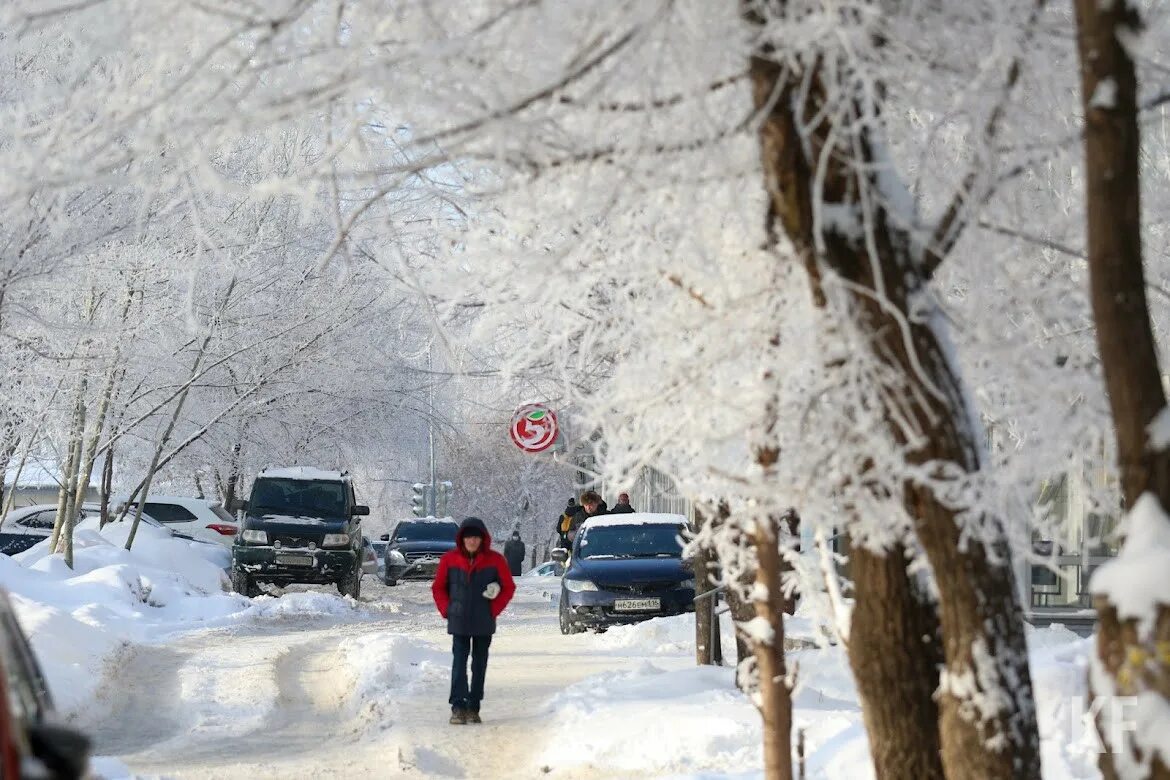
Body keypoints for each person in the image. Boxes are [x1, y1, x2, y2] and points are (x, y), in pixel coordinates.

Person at [431, 517, 516, 725]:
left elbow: (508, 587)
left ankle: (474, 706)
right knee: (459, 663)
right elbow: (438, 587)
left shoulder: (495, 560)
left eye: (476, 537)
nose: (472, 541)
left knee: (479, 665)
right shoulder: (449, 560)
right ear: (462, 538)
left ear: (482, 539)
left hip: (483, 622)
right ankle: (458, 706)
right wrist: (447, 610)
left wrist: (493, 609)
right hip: (458, 620)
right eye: (468, 537)